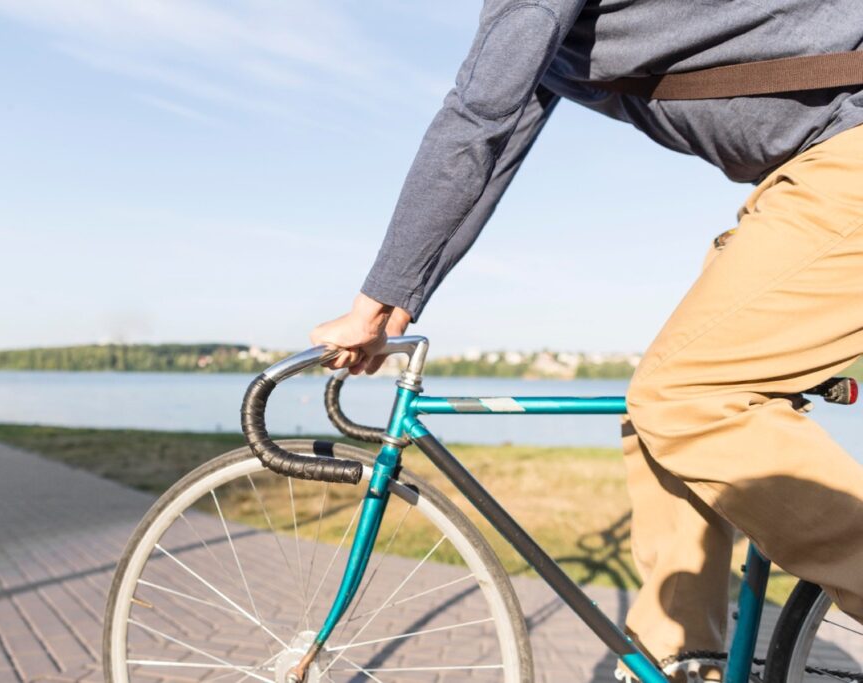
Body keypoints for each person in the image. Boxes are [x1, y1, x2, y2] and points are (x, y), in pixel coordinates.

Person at [309, 1, 863, 680]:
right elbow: (497, 140)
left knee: (686, 396)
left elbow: (475, 115)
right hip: (806, 173)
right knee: (655, 410)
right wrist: (398, 298)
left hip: (845, 159)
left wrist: (369, 307)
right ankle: (683, 659)